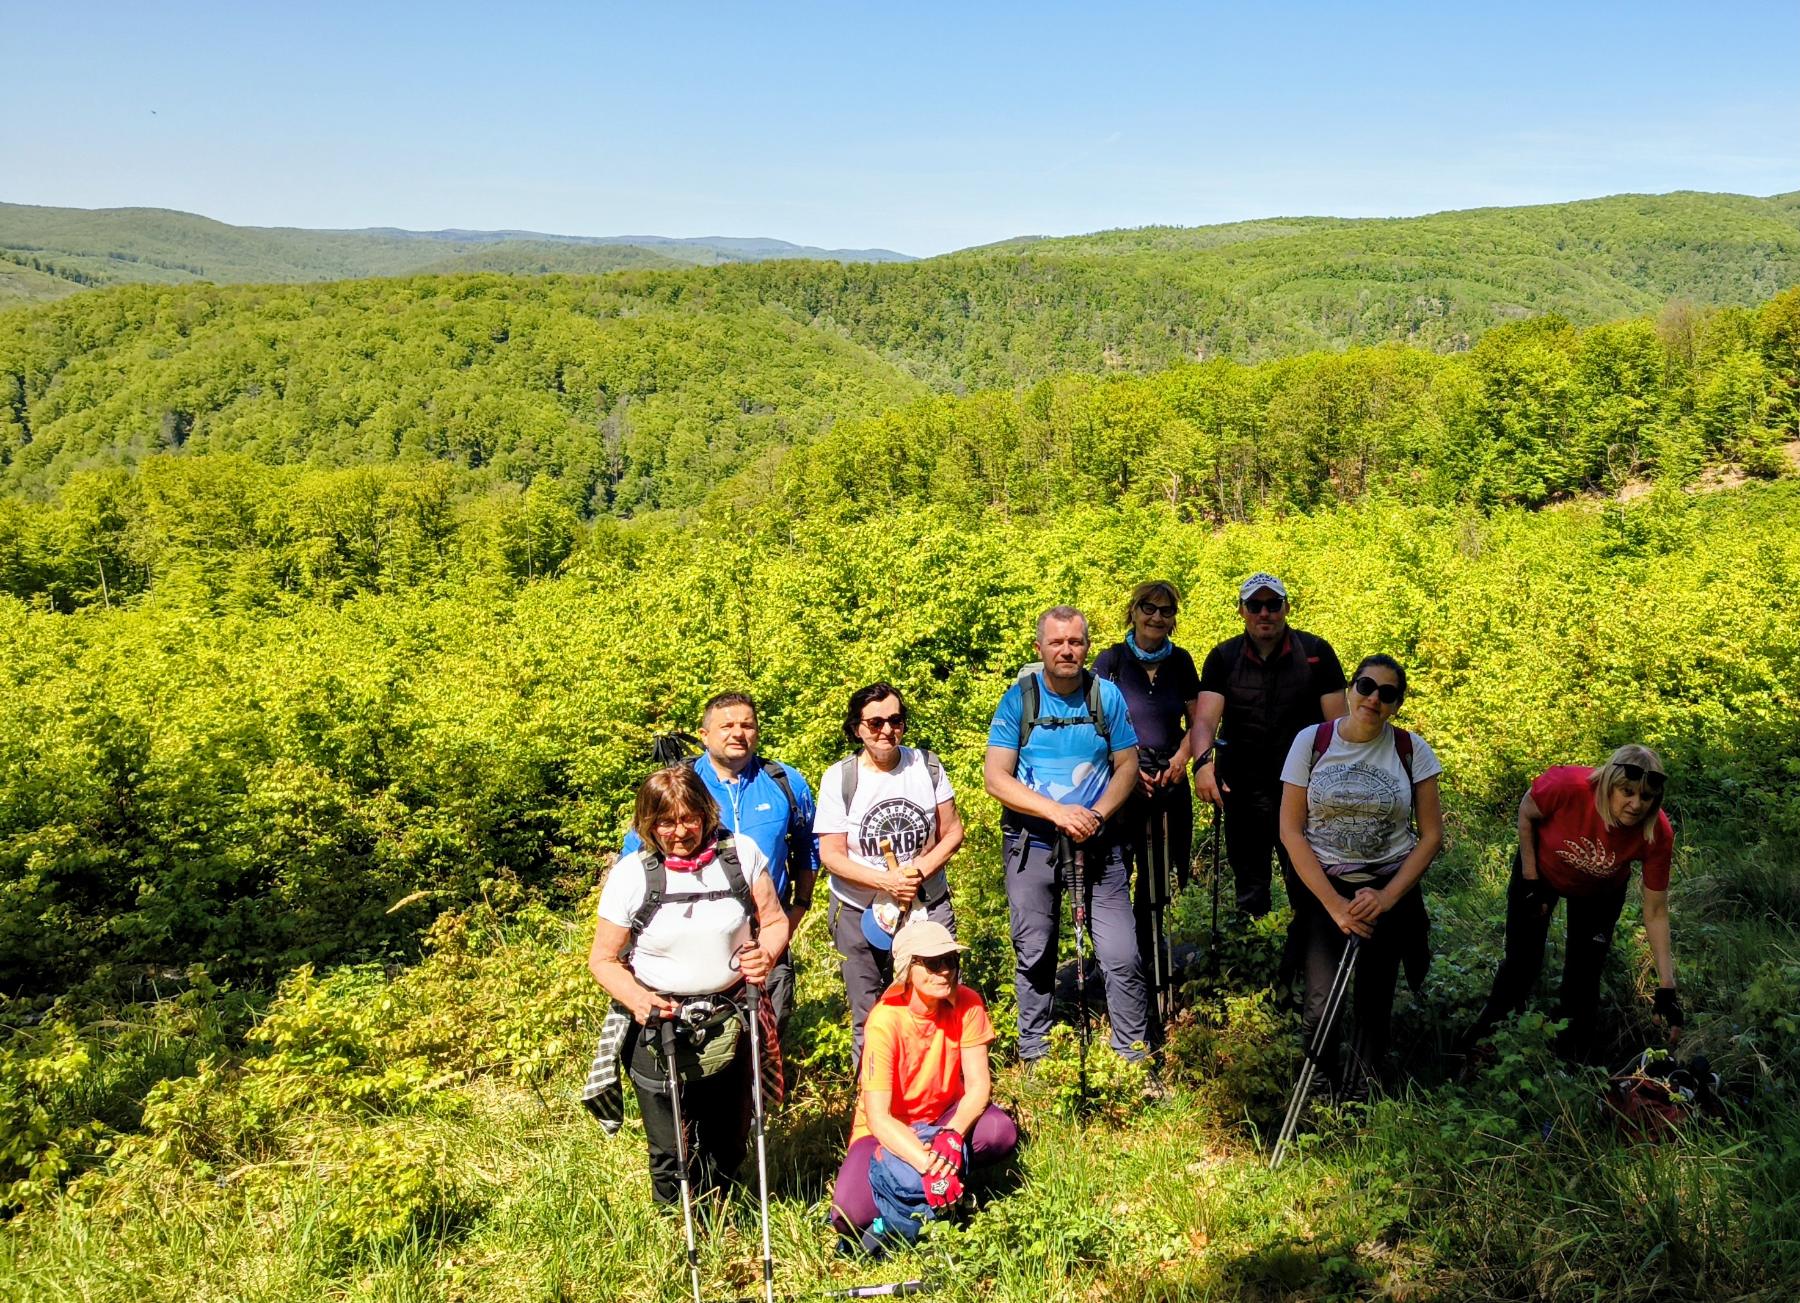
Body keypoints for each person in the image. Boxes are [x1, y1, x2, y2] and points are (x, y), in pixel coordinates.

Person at [588, 765, 790, 1203]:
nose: (679, 831)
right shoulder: (632, 875)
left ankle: (723, 1213)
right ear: (648, 824)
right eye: (666, 821)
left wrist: (766, 954)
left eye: (689, 818)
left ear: (706, 814)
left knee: (729, 1136)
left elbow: (774, 921)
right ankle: (674, 1224)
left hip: (729, 1016)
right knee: (670, 1148)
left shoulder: (740, 856)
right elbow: (602, 959)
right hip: (657, 1023)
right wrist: (637, 998)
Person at [983, 605, 1151, 1064]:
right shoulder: (1018, 700)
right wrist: (1057, 813)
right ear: (1039, 647)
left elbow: (1127, 765)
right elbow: (996, 777)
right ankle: (1035, 1055)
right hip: (1033, 845)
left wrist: (1095, 816)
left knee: (1121, 954)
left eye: (1075, 641)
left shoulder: (1106, 697)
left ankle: (1132, 1057)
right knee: (1034, 951)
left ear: (1087, 646)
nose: (1066, 650)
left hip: (1100, 844)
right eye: (1056, 642)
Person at [1279, 654, 1443, 1097]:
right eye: (1367, 687)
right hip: (1324, 885)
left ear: (1397, 704)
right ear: (1351, 689)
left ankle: (1359, 1095)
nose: (1374, 699)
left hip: (1388, 884)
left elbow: (1431, 836)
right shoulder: (1312, 741)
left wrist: (1387, 897)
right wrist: (1334, 905)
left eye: (1387, 694)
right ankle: (1318, 1089)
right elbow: (1291, 831)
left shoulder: (1412, 750)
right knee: (1320, 1001)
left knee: (1374, 999)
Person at [1465, 744, 1682, 1060]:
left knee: (1584, 976)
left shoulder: (1657, 831)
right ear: (1608, 784)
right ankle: (1484, 1041)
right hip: (1541, 872)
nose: (1636, 805)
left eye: (1646, 797)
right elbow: (1527, 810)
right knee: (1522, 961)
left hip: (1601, 892)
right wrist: (1530, 879)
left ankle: (1571, 1062)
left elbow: (1656, 911)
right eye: (1627, 792)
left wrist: (1666, 987)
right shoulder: (1568, 786)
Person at [622, 692, 818, 1027]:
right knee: (692, 1038)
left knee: (768, 1035)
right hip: (690, 939)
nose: (738, 733)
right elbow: (635, 856)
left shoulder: (784, 782)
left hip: (766, 936)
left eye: (747, 725)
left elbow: (808, 846)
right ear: (704, 734)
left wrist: (798, 908)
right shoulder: (679, 785)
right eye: (726, 726)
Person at [828, 920, 1019, 1249]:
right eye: (932, 963)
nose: (945, 971)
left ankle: (937, 1190)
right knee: (848, 1215)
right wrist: (928, 1165)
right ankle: (925, 1192)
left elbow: (978, 1086)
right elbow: (878, 1117)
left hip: (944, 1117)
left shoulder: (968, 1003)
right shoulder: (885, 1020)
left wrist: (952, 1136)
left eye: (951, 961)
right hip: (887, 1130)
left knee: (1000, 1132)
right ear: (907, 968)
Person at [816, 682, 964, 1062]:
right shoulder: (840, 778)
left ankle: (942, 1083)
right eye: (875, 722)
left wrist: (917, 872)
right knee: (870, 1012)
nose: (887, 730)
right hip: (859, 909)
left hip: (926, 903)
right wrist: (887, 881)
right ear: (857, 728)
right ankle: (874, 1091)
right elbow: (831, 854)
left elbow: (952, 832)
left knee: (938, 998)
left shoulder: (926, 767)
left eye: (895, 720)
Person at [1193, 573, 1347, 935]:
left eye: (1273, 604)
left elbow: (1338, 726)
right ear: (1242, 610)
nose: (1265, 613)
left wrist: (1340, 781)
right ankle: (1252, 955)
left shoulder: (1316, 653)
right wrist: (1201, 765)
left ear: (1286, 607)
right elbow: (1204, 720)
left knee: (1308, 882)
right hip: (1241, 789)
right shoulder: (1223, 657)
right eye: (1255, 605)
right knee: (1250, 887)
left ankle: (1309, 954)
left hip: (1304, 791)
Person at [1093, 580, 1202, 1017]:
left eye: (1166, 610)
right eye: (1149, 608)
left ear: (1174, 618)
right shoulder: (1111, 661)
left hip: (1169, 781)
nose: (1157, 617)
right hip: (1123, 786)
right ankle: (1122, 967)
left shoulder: (1182, 661)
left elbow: (1198, 722)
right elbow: (1094, 724)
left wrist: (1182, 759)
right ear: (1133, 611)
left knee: (1158, 882)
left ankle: (1155, 961)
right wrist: (1127, 769)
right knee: (1118, 872)